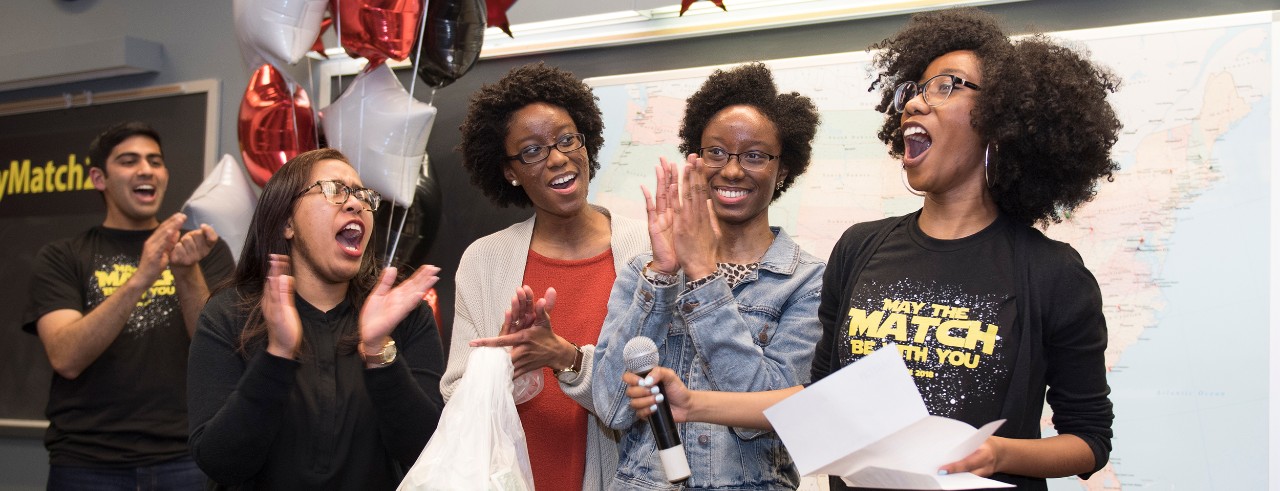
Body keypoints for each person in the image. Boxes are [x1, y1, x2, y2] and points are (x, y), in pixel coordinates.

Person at [623, 8, 1118, 490]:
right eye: (914, 89)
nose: (915, 103)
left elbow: (1089, 442)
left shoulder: (1050, 272)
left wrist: (998, 453)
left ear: (1002, 116)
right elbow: (819, 400)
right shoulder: (861, 247)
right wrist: (694, 404)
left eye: (945, 86)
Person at [593, 62, 826, 490]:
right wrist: (664, 275)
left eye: (755, 155)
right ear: (696, 161)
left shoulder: (808, 282)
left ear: (784, 169)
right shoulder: (645, 271)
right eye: (717, 152)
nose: (732, 170)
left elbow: (771, 415)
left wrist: (703, 274)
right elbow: (612, 409)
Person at [186, 148, 445, 489]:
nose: (356, 204)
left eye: (363, 195)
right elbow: (221, 462)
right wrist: (278, 355)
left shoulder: (405, 317)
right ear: (287, 223)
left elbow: (428, 454)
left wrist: (378, 350)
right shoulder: (229, 314)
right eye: (334, 190)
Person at [444, 62, 648, 491]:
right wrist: (500, 364)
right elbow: (455, 395)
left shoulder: (647, 250)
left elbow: (667, 385)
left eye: (567, 139)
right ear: (510, 172)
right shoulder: (484, 261)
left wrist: (567, 358)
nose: (558, 158)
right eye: (532, 150)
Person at [22, 121, 235, 490]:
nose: (146, 170)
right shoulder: (62, 257)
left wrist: (186, 273)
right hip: (87, 462)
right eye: (129, 161)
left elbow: (221, 351)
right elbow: (66, 357)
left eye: (155, 161)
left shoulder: (204, 250)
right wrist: (142, 275)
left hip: (188, 455)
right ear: (99, 178)